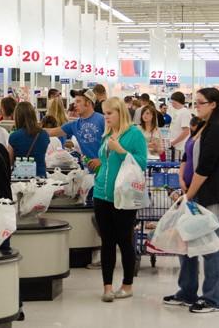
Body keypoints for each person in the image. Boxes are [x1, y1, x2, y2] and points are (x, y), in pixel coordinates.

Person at [164, 87, 219, 314]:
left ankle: (213, 298)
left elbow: (205, 168)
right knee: (185, 241)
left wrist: (189, 194)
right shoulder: (203, 126)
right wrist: (180, 175)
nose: (196, 107)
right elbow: (188, 154)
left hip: (215, 193)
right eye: (195, 103)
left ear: (214, 104)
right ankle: (187, 291)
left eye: (200, 103)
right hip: (197, 192)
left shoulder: (218, 129)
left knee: (208, 245)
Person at [92, 97, 147, 302]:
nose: (106, 117)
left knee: (124, 240)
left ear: (120, 113)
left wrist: (121, 151)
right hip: (102, 193)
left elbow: (141, 163)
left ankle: (127, 284)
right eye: (105, 113)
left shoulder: (134, 134)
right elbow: (105, 161)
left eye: (110, 113)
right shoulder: (106, 134)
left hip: (123, 196)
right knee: (106, 241)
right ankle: (107, 286)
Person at [45, 89, 105, 171]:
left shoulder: (102, 120)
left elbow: (117, 144)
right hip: (89, 171)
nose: (74, 104)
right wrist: (30, 127)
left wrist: (102, 160)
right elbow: (51, 132)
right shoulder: (74, 125)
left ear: (88, 103)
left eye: (78, 101)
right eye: (75, 101)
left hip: (106, 170)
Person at [9, 101, 50, 178]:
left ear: (17, 117)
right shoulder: (44, 135)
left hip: (21, 178)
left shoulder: (14, 136)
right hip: (40, 176)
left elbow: (10, 162)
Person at [177, 116, 202, 193]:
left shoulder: (203, 140)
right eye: (192, 129)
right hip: (186, 181)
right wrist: (181, 179)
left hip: (197, 183)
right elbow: (184, 159)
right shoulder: (190, 139)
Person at [168, 91, 192, 160]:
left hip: (181, 147)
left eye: (172, 101)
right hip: (176, 146)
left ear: (176, 101)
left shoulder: (185, 112)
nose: (171, 103)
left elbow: (186, 131)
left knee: (179, 167)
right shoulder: (178, 111)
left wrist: (173, 142)